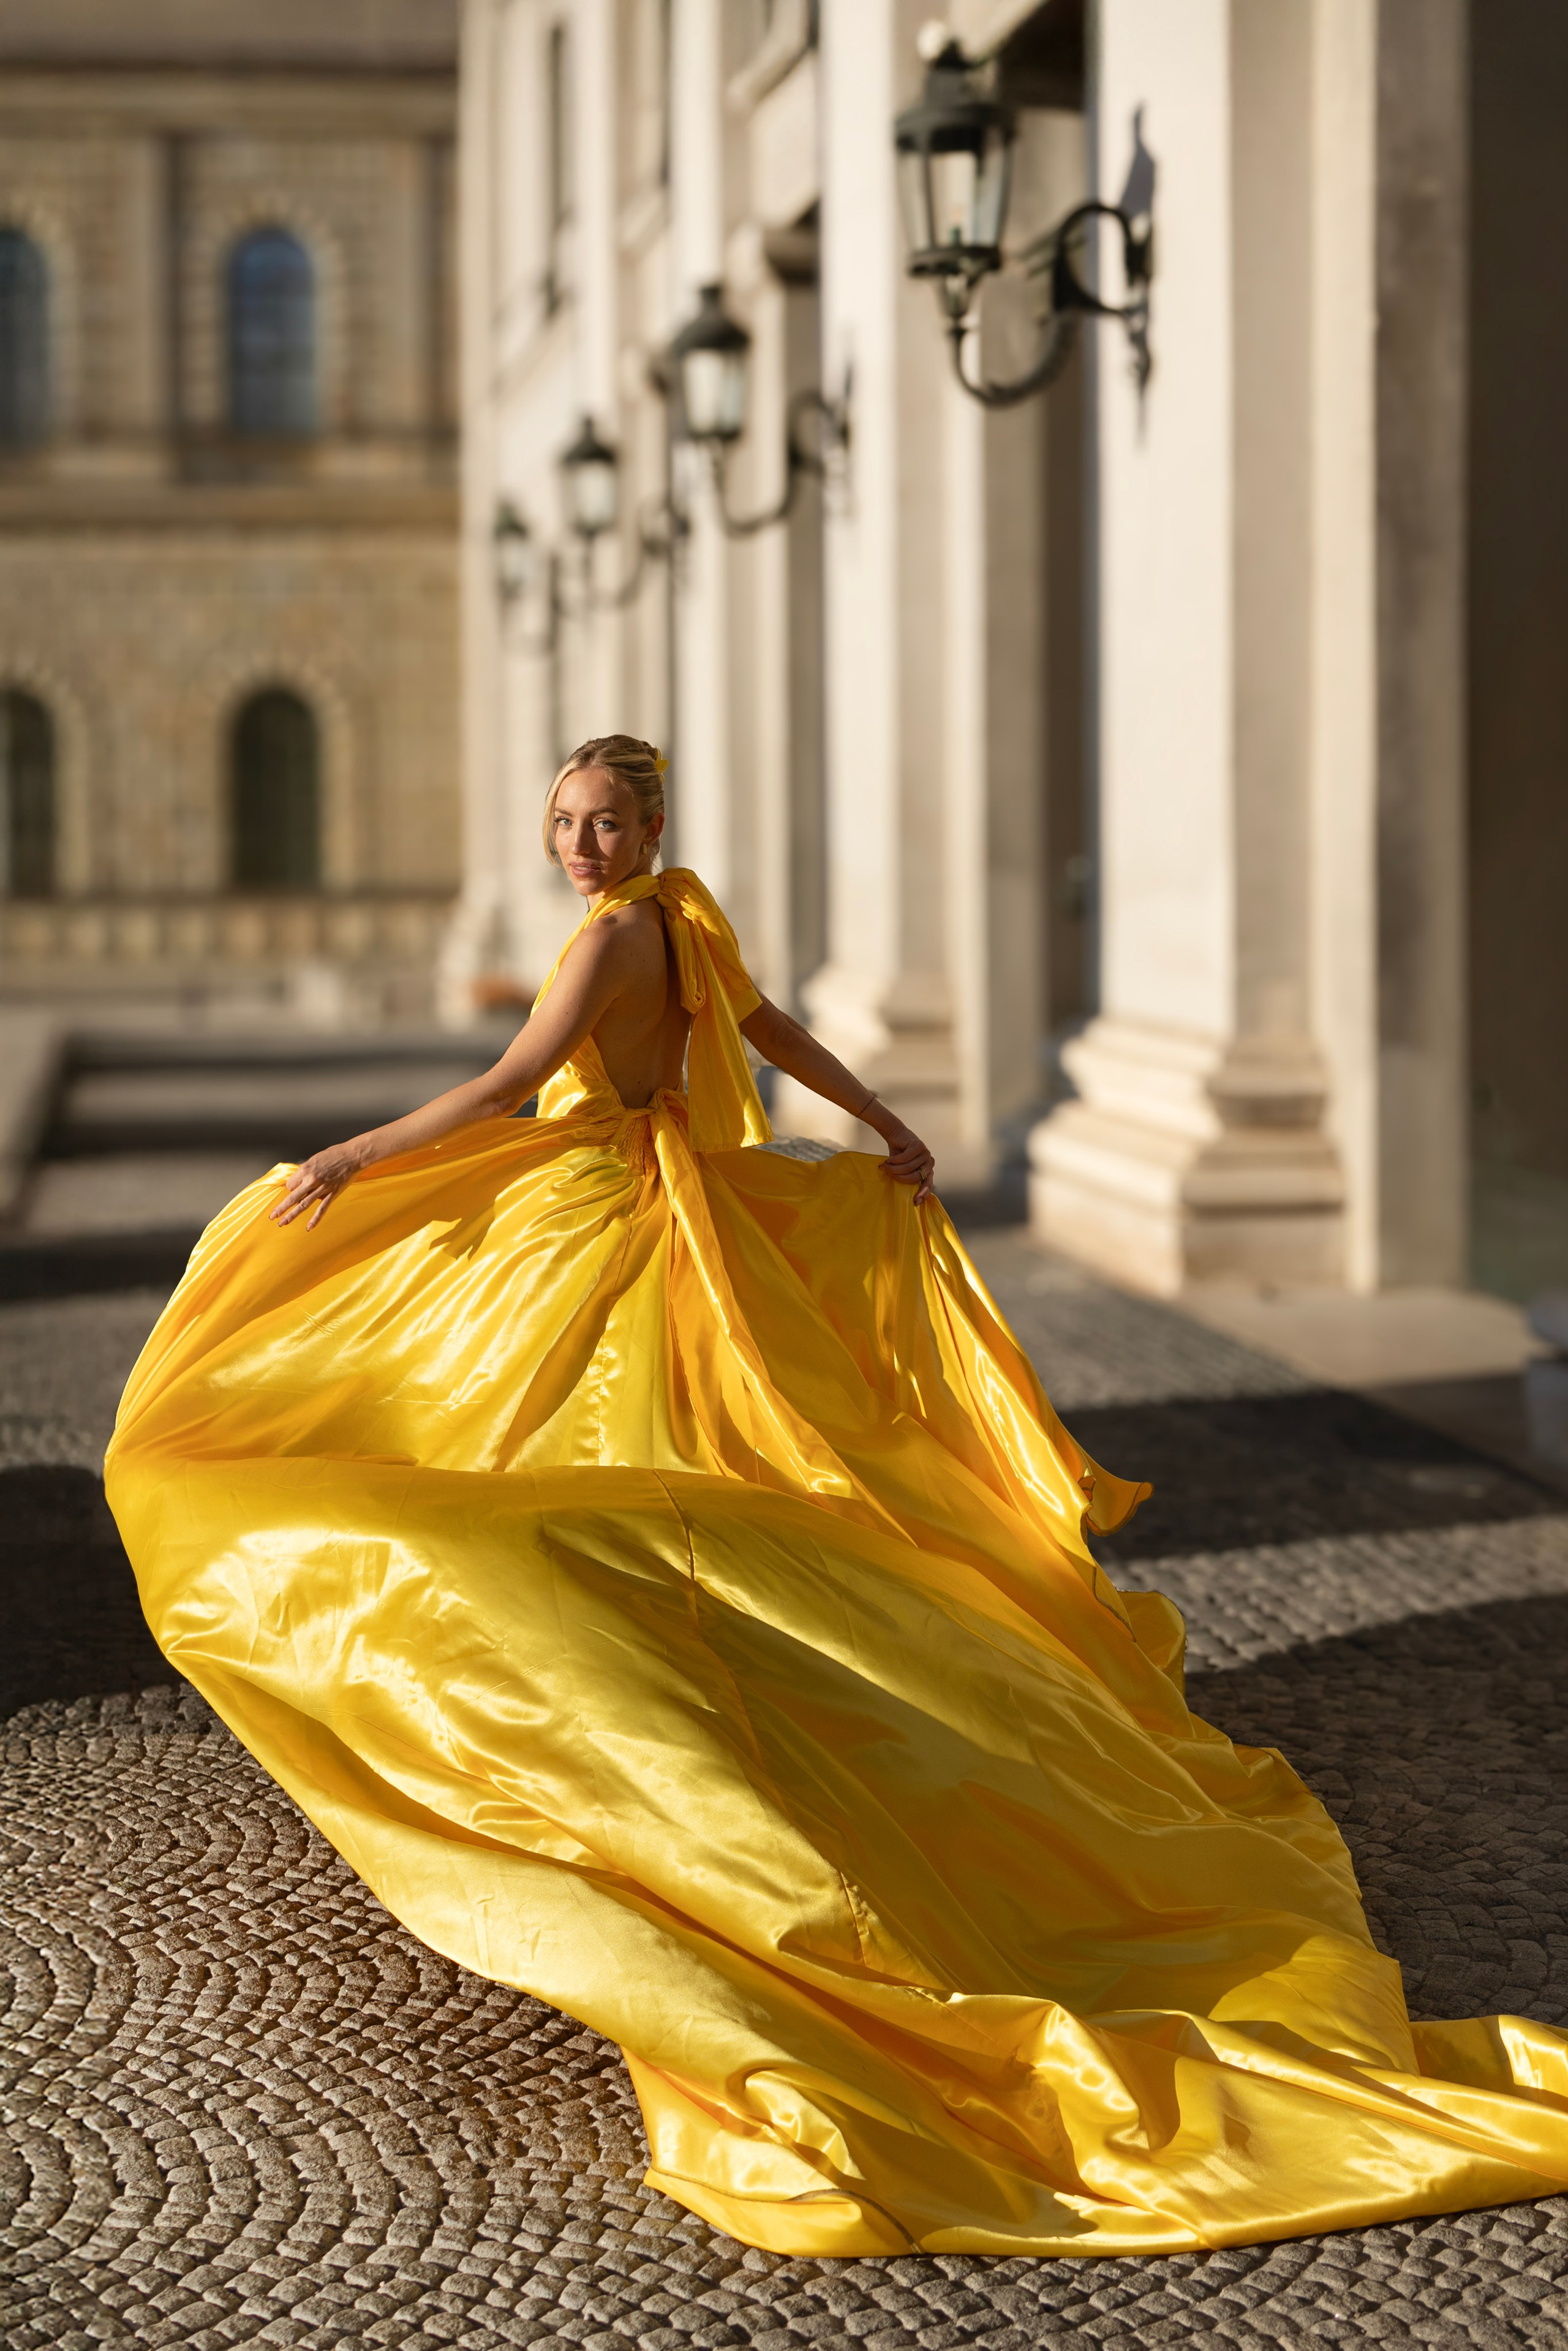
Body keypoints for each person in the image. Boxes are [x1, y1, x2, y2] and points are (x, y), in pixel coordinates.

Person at [108, 734, 1568, 2259]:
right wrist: (879, 1125)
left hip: (600, 1220)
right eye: (561, 821)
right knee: (670, 1463)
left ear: (650, 824)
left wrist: (343, 1161)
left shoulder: (623, 930)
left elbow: (512, 1082)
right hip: (667, 1214)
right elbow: (768, 1031)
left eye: (603, 820)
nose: (580, 845)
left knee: (552, 1458)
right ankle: (732, 1685)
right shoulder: (679, 917)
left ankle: (672, 1728)